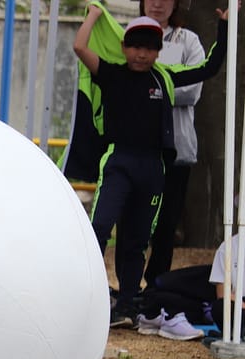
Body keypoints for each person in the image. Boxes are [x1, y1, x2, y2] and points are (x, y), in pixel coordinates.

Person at [73, 4, 229, 328]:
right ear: (124, 47)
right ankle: (82, 294)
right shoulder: (112, 73)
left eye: (149, 48)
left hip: (152, 167)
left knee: (136, 239)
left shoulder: (165, 78)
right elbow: (79, 47)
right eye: (135, 47)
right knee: (99, 226)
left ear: (158, 52)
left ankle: (127, 305)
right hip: (118, 161)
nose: (141, 54)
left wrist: (225, 27)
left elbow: (210, 67)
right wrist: (93, 16)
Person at [137, 0, 205, 288]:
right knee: (134, 220)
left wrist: (149, 87)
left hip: (177, 149)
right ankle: (128, 286)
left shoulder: (188, 40)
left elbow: (192, 90)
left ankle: (156, 286)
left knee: (166, 224)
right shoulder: (128, 35)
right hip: (137, 147)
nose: (157, 3)